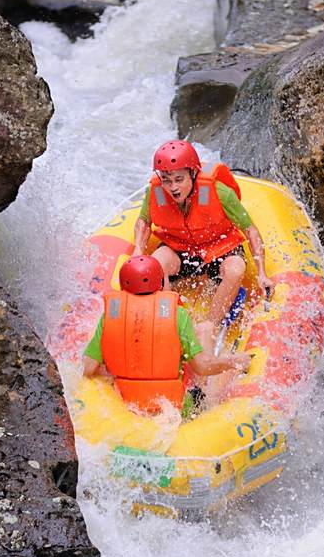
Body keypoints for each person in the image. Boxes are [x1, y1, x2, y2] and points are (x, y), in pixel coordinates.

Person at [132, 140, 273, 330]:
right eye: (166, 180)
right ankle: (171, 320)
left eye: (179, 179)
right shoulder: (155, 193)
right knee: (156, 263)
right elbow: (143, 222)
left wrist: (262, 273)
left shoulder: (220, 193)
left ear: (193, 173)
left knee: (236, 269)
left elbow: (250, 230)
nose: (172, 187)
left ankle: (210, 325)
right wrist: (138, 250)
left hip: (219, 248)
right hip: (179, 248)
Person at [82, 255, 250, 414]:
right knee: (206, 334)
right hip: (172, 407)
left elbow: (89, 367)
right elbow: (203, 366)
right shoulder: (177, 315)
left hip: (124, 404)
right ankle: (215, 386)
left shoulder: (109, 316)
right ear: (160, 282)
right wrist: (234, 362)